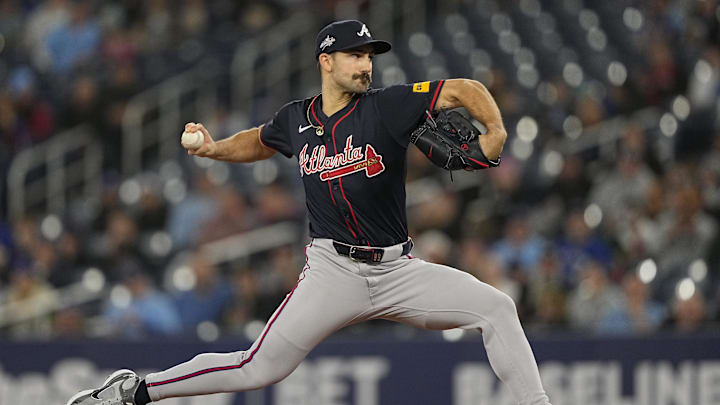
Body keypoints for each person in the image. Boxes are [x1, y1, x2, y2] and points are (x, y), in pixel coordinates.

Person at [68, 20, 553, 405]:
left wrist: (494, 132)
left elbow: (463, 88)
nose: (366, 64)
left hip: (400, 269)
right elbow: (259, 141)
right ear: (327, 61)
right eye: (356, 55)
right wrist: (215, 150)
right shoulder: (296, 118)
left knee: (497, 308)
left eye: (369, 56)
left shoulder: (388, 106)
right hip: (333, 271)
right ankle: (135, 392)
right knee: (257, 366)